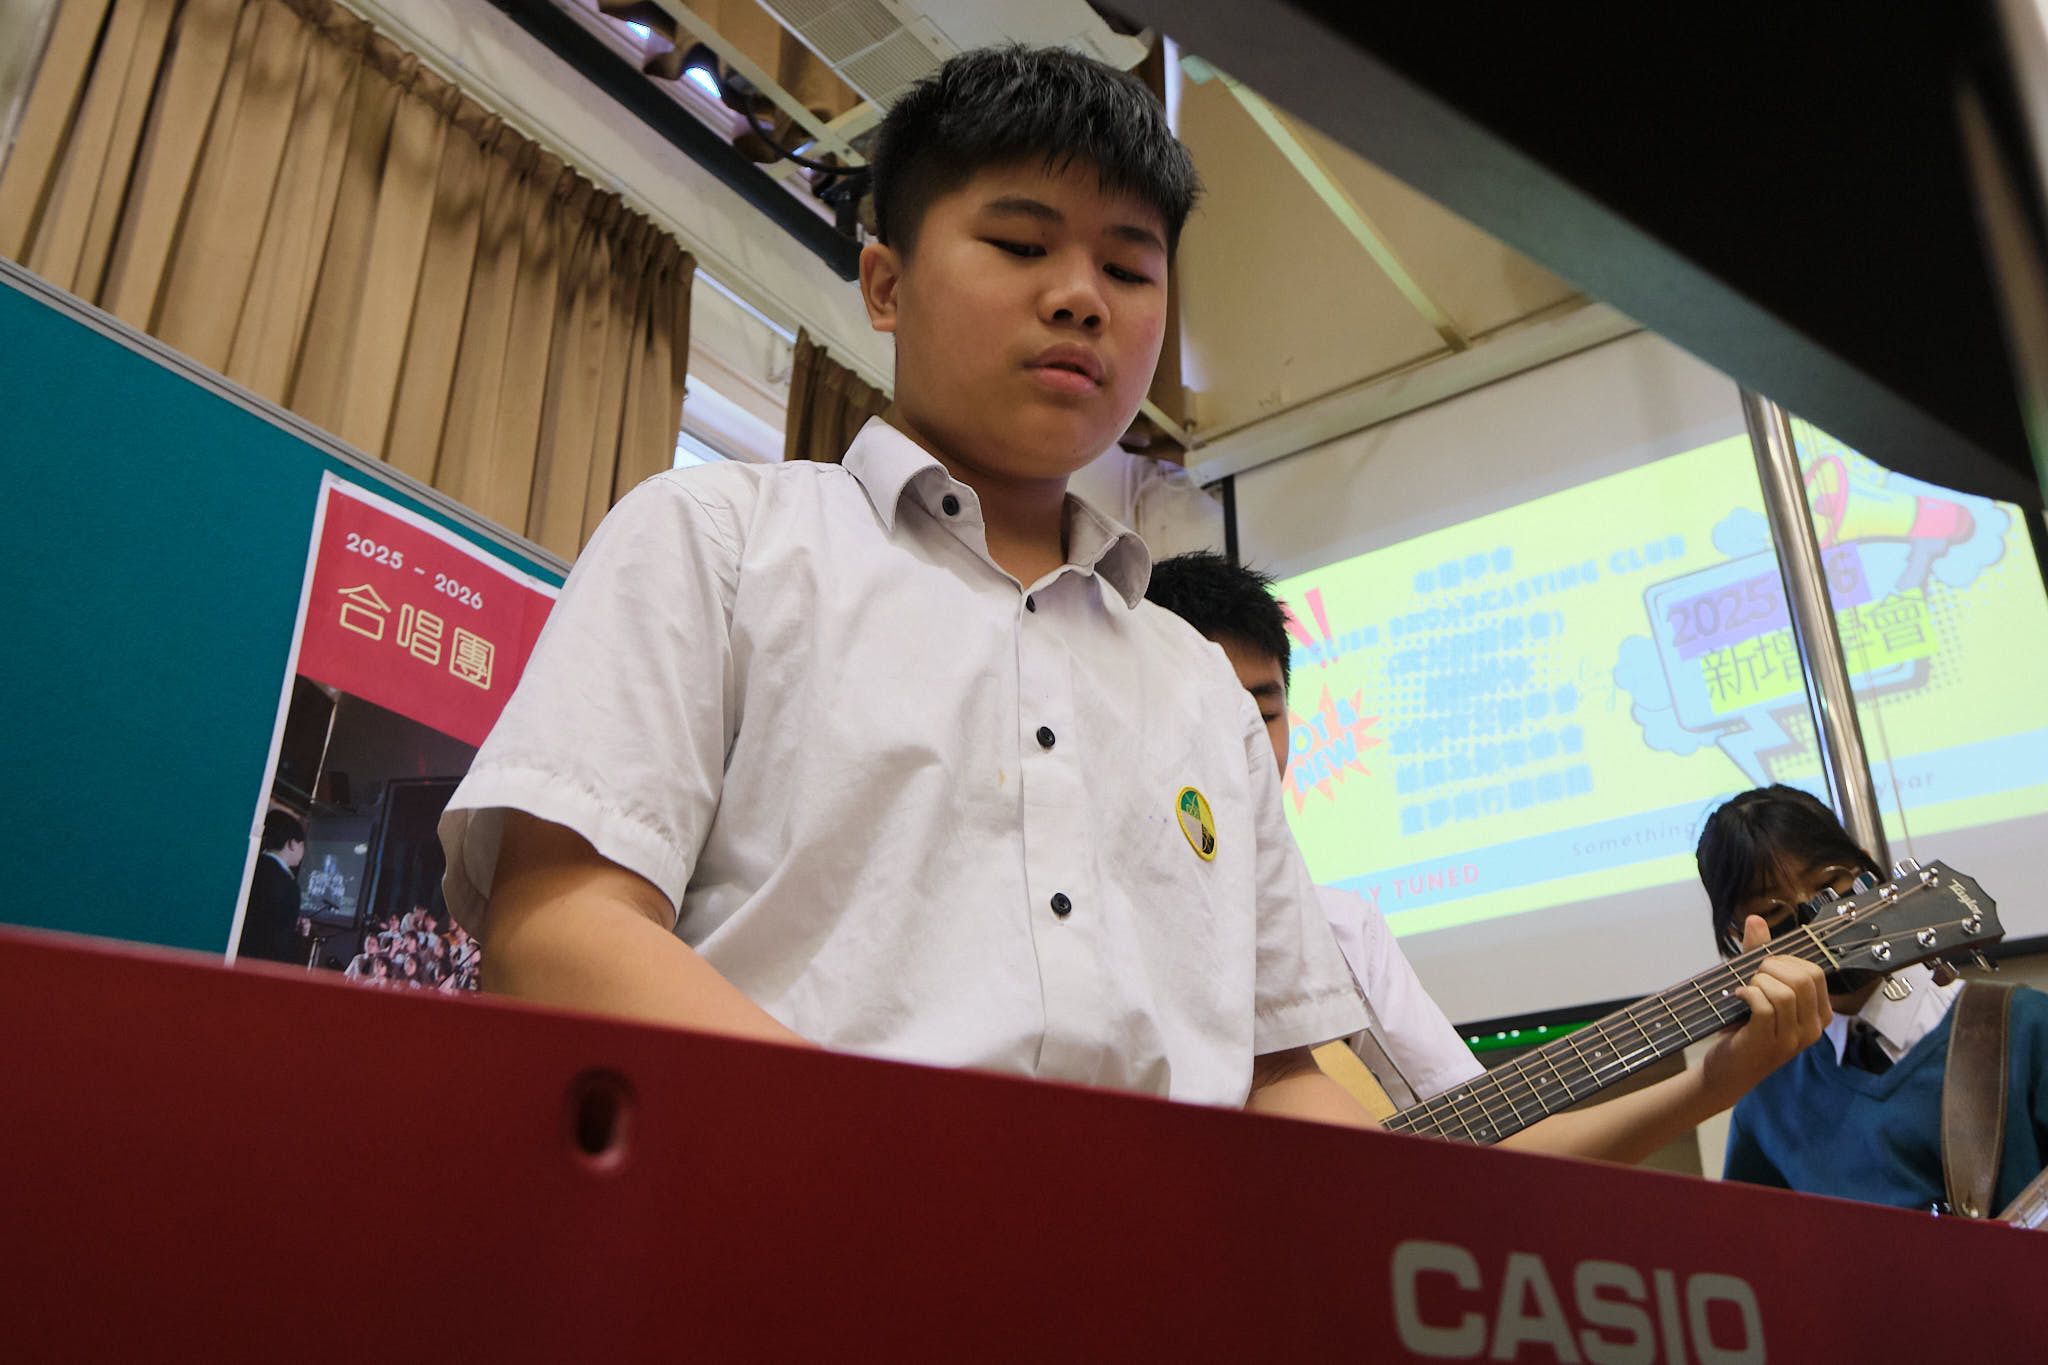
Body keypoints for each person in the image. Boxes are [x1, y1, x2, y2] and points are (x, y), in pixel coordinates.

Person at [438, 47, 1374, 1125]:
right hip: (784, 1207)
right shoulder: (720, 540)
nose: (1080, 299)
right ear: (886, 287)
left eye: (1128, 270)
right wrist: (885, 1168)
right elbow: (561, 924)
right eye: (1020, 245)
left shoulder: (1202, 687)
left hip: (1174, 1234)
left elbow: (1284, 1073)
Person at [1144, 551, 1833, 1162]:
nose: (1246, 751)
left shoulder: (1343, 931)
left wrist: (1715, 1082)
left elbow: (1498, 1146)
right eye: (1218, 716)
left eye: (1264, 716)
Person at [1701, 784, 2048, 1209]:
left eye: (1830, 883)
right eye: (1774, 911)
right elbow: (1753, 1238)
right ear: (1740, 936)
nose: (1816, 919)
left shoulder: (2026, 1027)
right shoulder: (1766, 1093)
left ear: (1870, 873)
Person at [237, 808, 310, 966]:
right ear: (292, 844)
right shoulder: (288, 886)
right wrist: (300, 937)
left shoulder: (248, 866)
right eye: (302, 846)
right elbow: (280, 947)